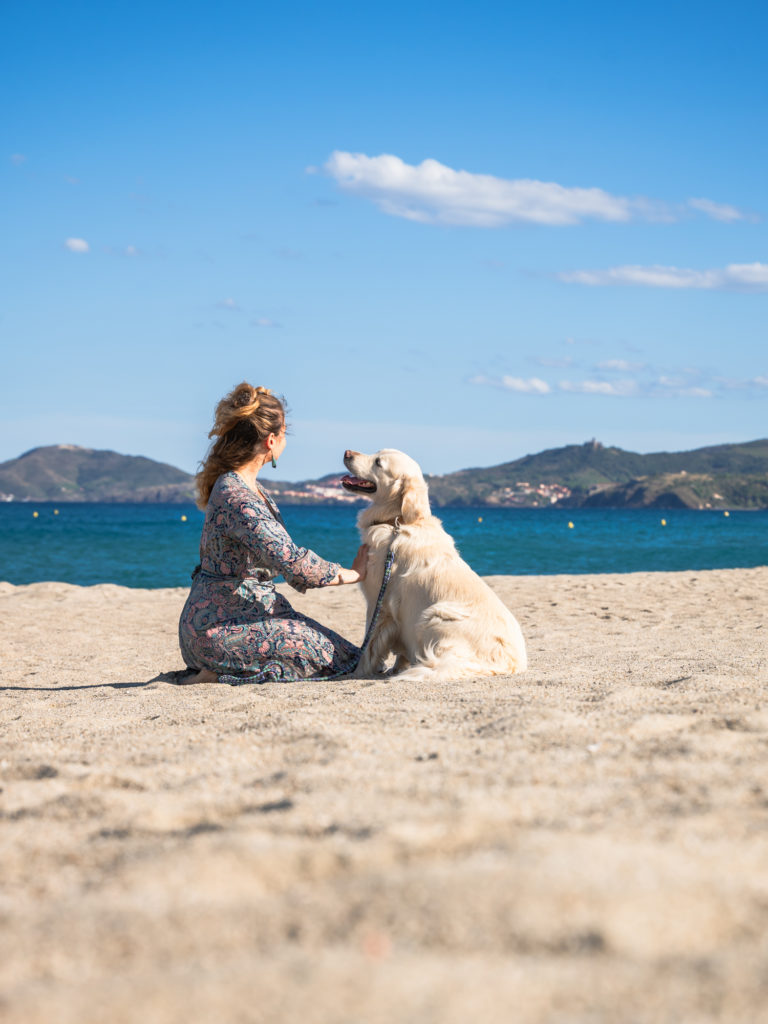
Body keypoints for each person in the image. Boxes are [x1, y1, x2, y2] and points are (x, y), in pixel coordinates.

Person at [178, 382, 367, 684]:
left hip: (238, 615)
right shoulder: (237, 495)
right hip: (218, 629)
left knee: (348, 656)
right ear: (270, 441)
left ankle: (223, 670)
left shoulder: (249, 488)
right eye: (284, 434)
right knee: (347, 663)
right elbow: (291, 562)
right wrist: (353, 574)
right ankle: (218, 672)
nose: (285, 442)